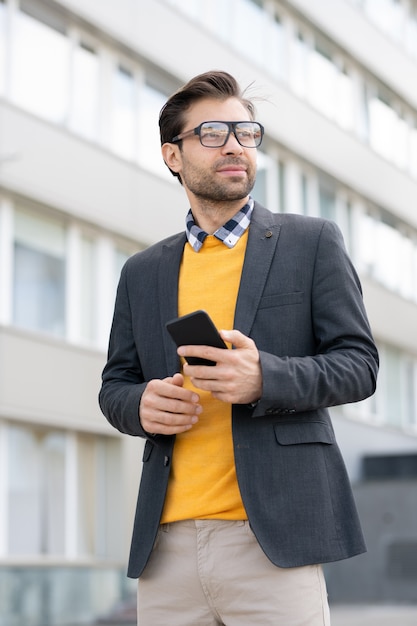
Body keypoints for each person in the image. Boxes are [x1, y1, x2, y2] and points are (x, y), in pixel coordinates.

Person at [99, 70, 378, 626]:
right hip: (166, 547)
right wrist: (142, 406)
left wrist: (264, 378)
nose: (233, 145)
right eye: (211, 134)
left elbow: (359, 365)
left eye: (245, 133)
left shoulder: (311, 242)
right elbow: (116, 386)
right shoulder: (142, 271)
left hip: (272, 540)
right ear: (173, 155)